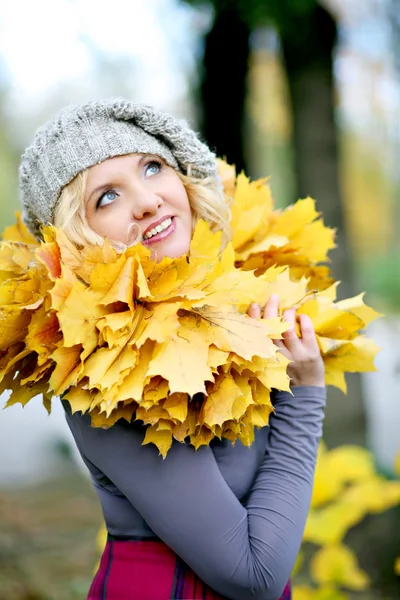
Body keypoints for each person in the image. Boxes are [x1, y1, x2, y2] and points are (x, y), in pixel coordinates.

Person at [19, 99, 326, 600]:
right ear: (75, 238)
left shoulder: (223, 314)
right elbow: (256, 577)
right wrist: (304, 396)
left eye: (152, 167)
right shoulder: (102, 369)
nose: (146, 200)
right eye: (107, 197)